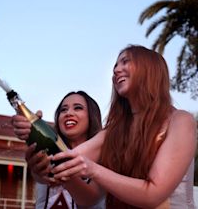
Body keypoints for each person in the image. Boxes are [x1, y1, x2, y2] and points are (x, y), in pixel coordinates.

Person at [13, 45, 197, 208]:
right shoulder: (113, 132)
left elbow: (153, 195)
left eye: (125, 62)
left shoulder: (180, 121)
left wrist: (93, 169)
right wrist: (34, 135)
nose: (116, 70)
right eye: (115, 66)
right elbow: (66, 165)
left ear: (150, 69)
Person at [14, 91, 105, 208]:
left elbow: (90, 197)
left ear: (92, 116)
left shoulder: (104, 153)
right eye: (63, 110)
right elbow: (41, 176)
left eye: (78, 108)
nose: (68, 113)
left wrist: (60, 170)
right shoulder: (48, 146)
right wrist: (30, 130)